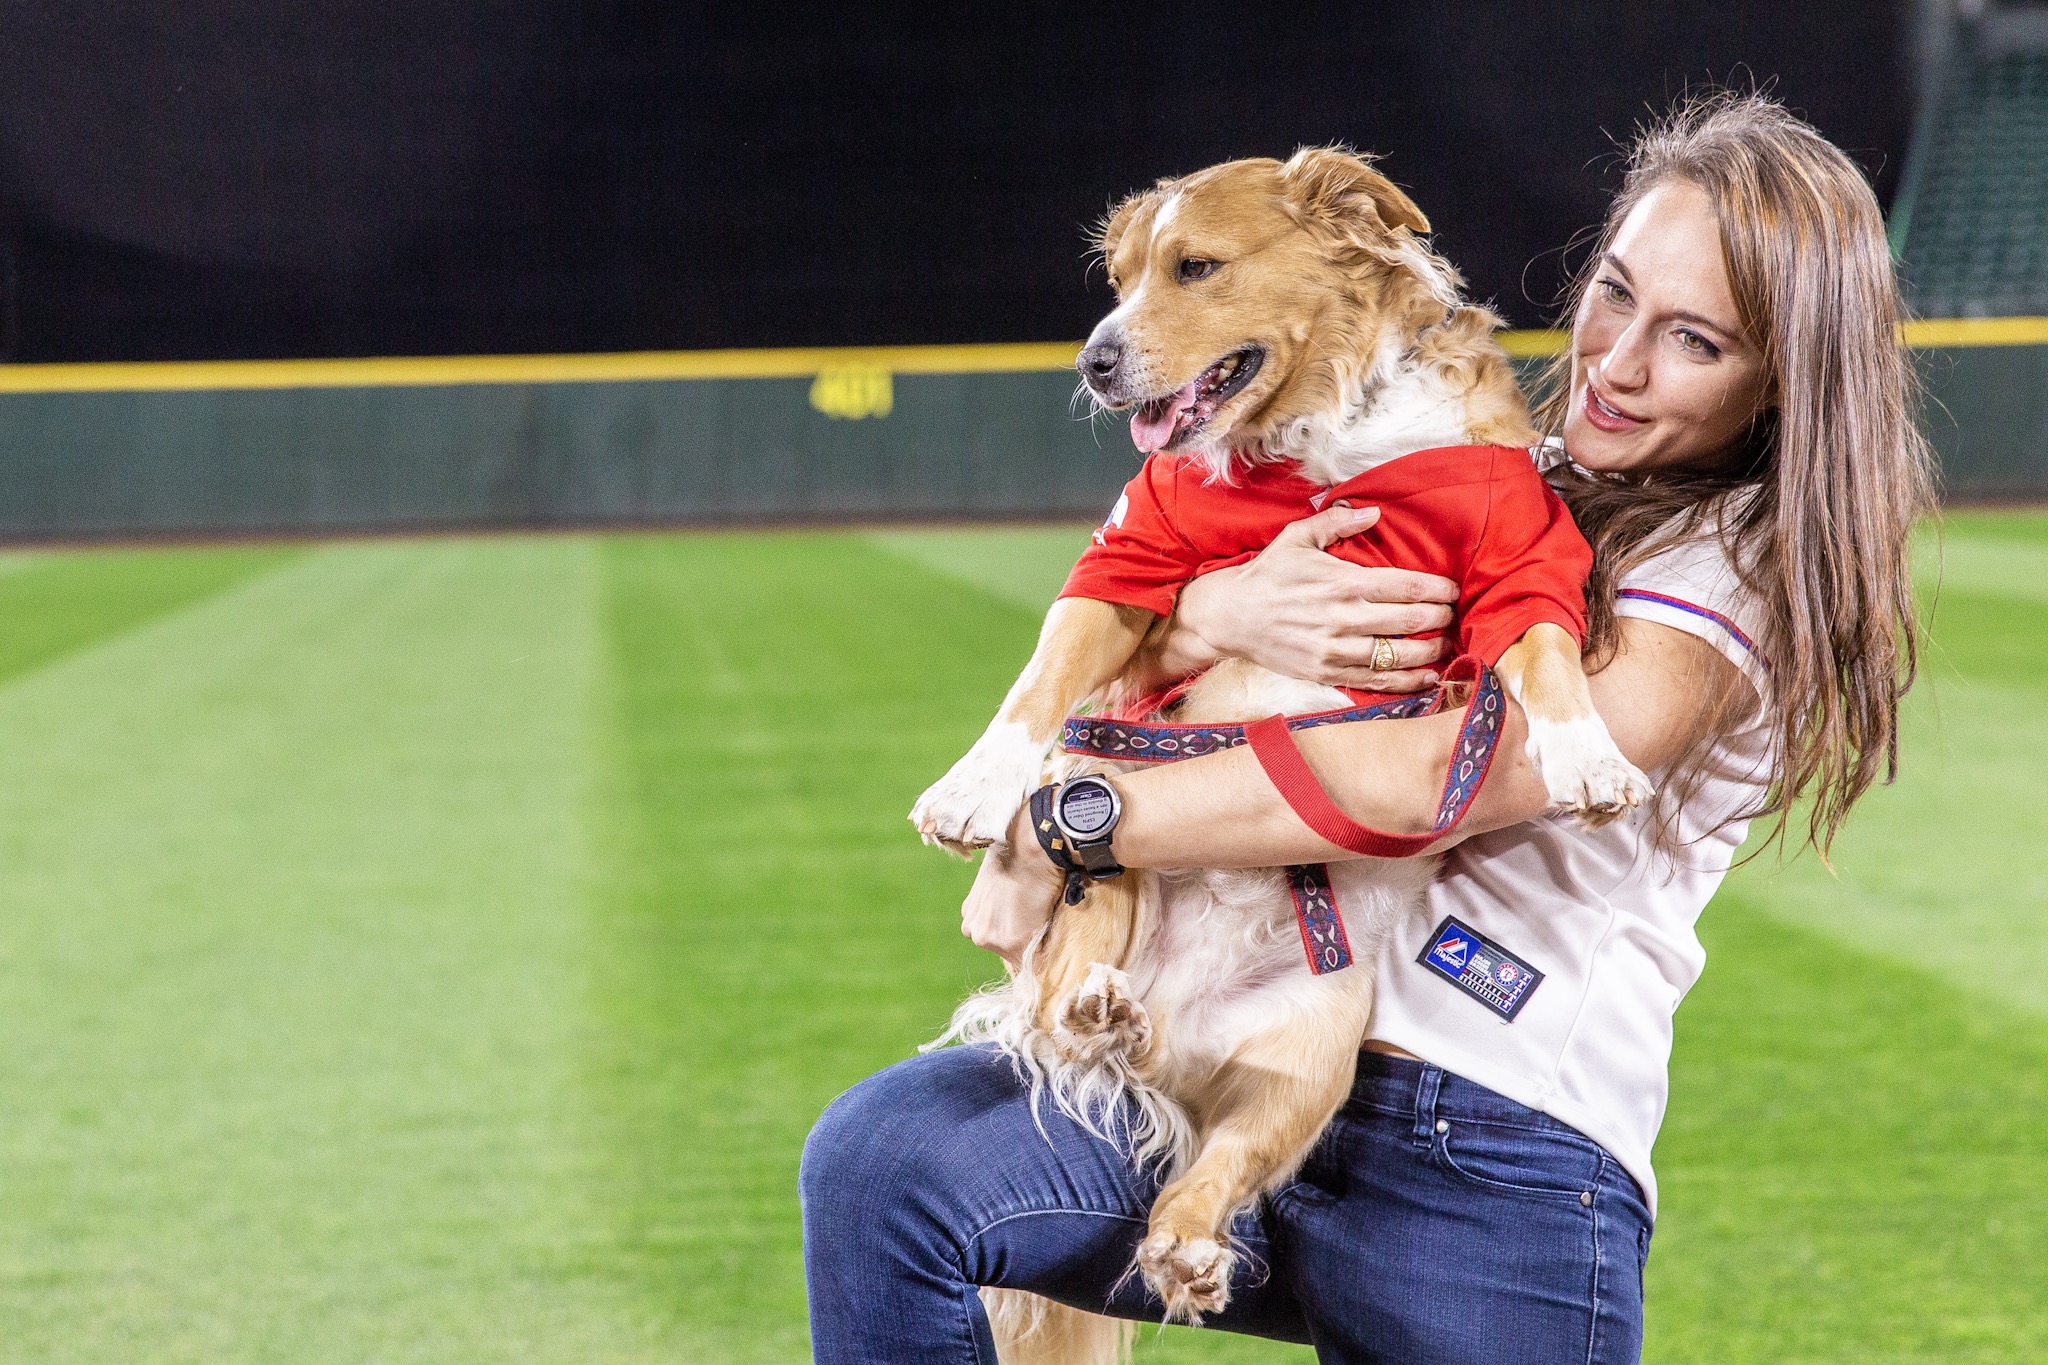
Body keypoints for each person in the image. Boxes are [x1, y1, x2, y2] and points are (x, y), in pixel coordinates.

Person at [801, 92, 1934, 1364]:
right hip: (1233, 1048)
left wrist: (1074, 822)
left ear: (1781, 375)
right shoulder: (1481, 458)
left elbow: (1444, 775)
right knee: (886, 1162)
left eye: (1691, 342)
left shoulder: (1737, 563)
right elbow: (1167, 603)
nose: (1615, 361)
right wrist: (1217, 608)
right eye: (1613, 294)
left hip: (1487, 1148)